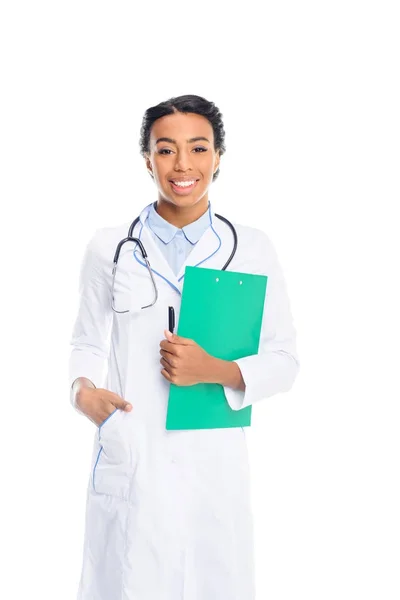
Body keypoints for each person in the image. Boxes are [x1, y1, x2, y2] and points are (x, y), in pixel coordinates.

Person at [69, 94, 300, 600]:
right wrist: (83, 393)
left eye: (198, 148)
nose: (183, 165)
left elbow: (284, 361)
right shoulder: (110, 247)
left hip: (213, 464)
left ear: (218, 157)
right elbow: (86, 340)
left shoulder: (253, 247)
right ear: (147, 159)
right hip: (133, 454)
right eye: (166, 149)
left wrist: (216, 368)